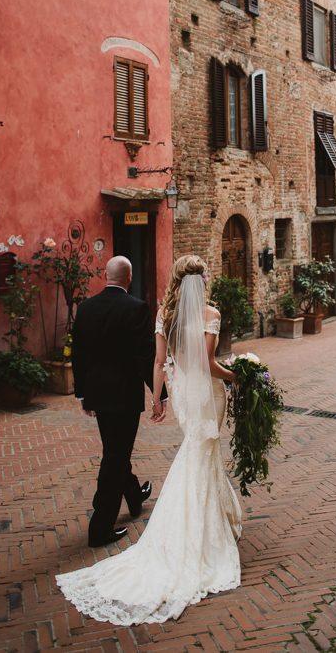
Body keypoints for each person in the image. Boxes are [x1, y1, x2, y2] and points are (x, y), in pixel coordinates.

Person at [57, 254, 242, 624]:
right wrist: (236, 377)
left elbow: (152, 360)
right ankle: (116, 523)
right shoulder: (186, 311)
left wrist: (153, 397)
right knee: (147, 453)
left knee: (130, 450)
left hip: (138, 396)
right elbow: (184, 362)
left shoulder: (136, 311)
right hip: (173, 394)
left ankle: (141, 495)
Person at [70, 255, 166, 548]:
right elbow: (144, 356)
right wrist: (159, 395)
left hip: (98, 395)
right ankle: (99, 529)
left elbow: (79, 354)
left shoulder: (85, 308)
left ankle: (134, 496)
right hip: (124, 397)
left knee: (114, 450)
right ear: (130, 277)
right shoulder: (136, 308)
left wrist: (83, 393)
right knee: (114, 457)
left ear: (106, 275)